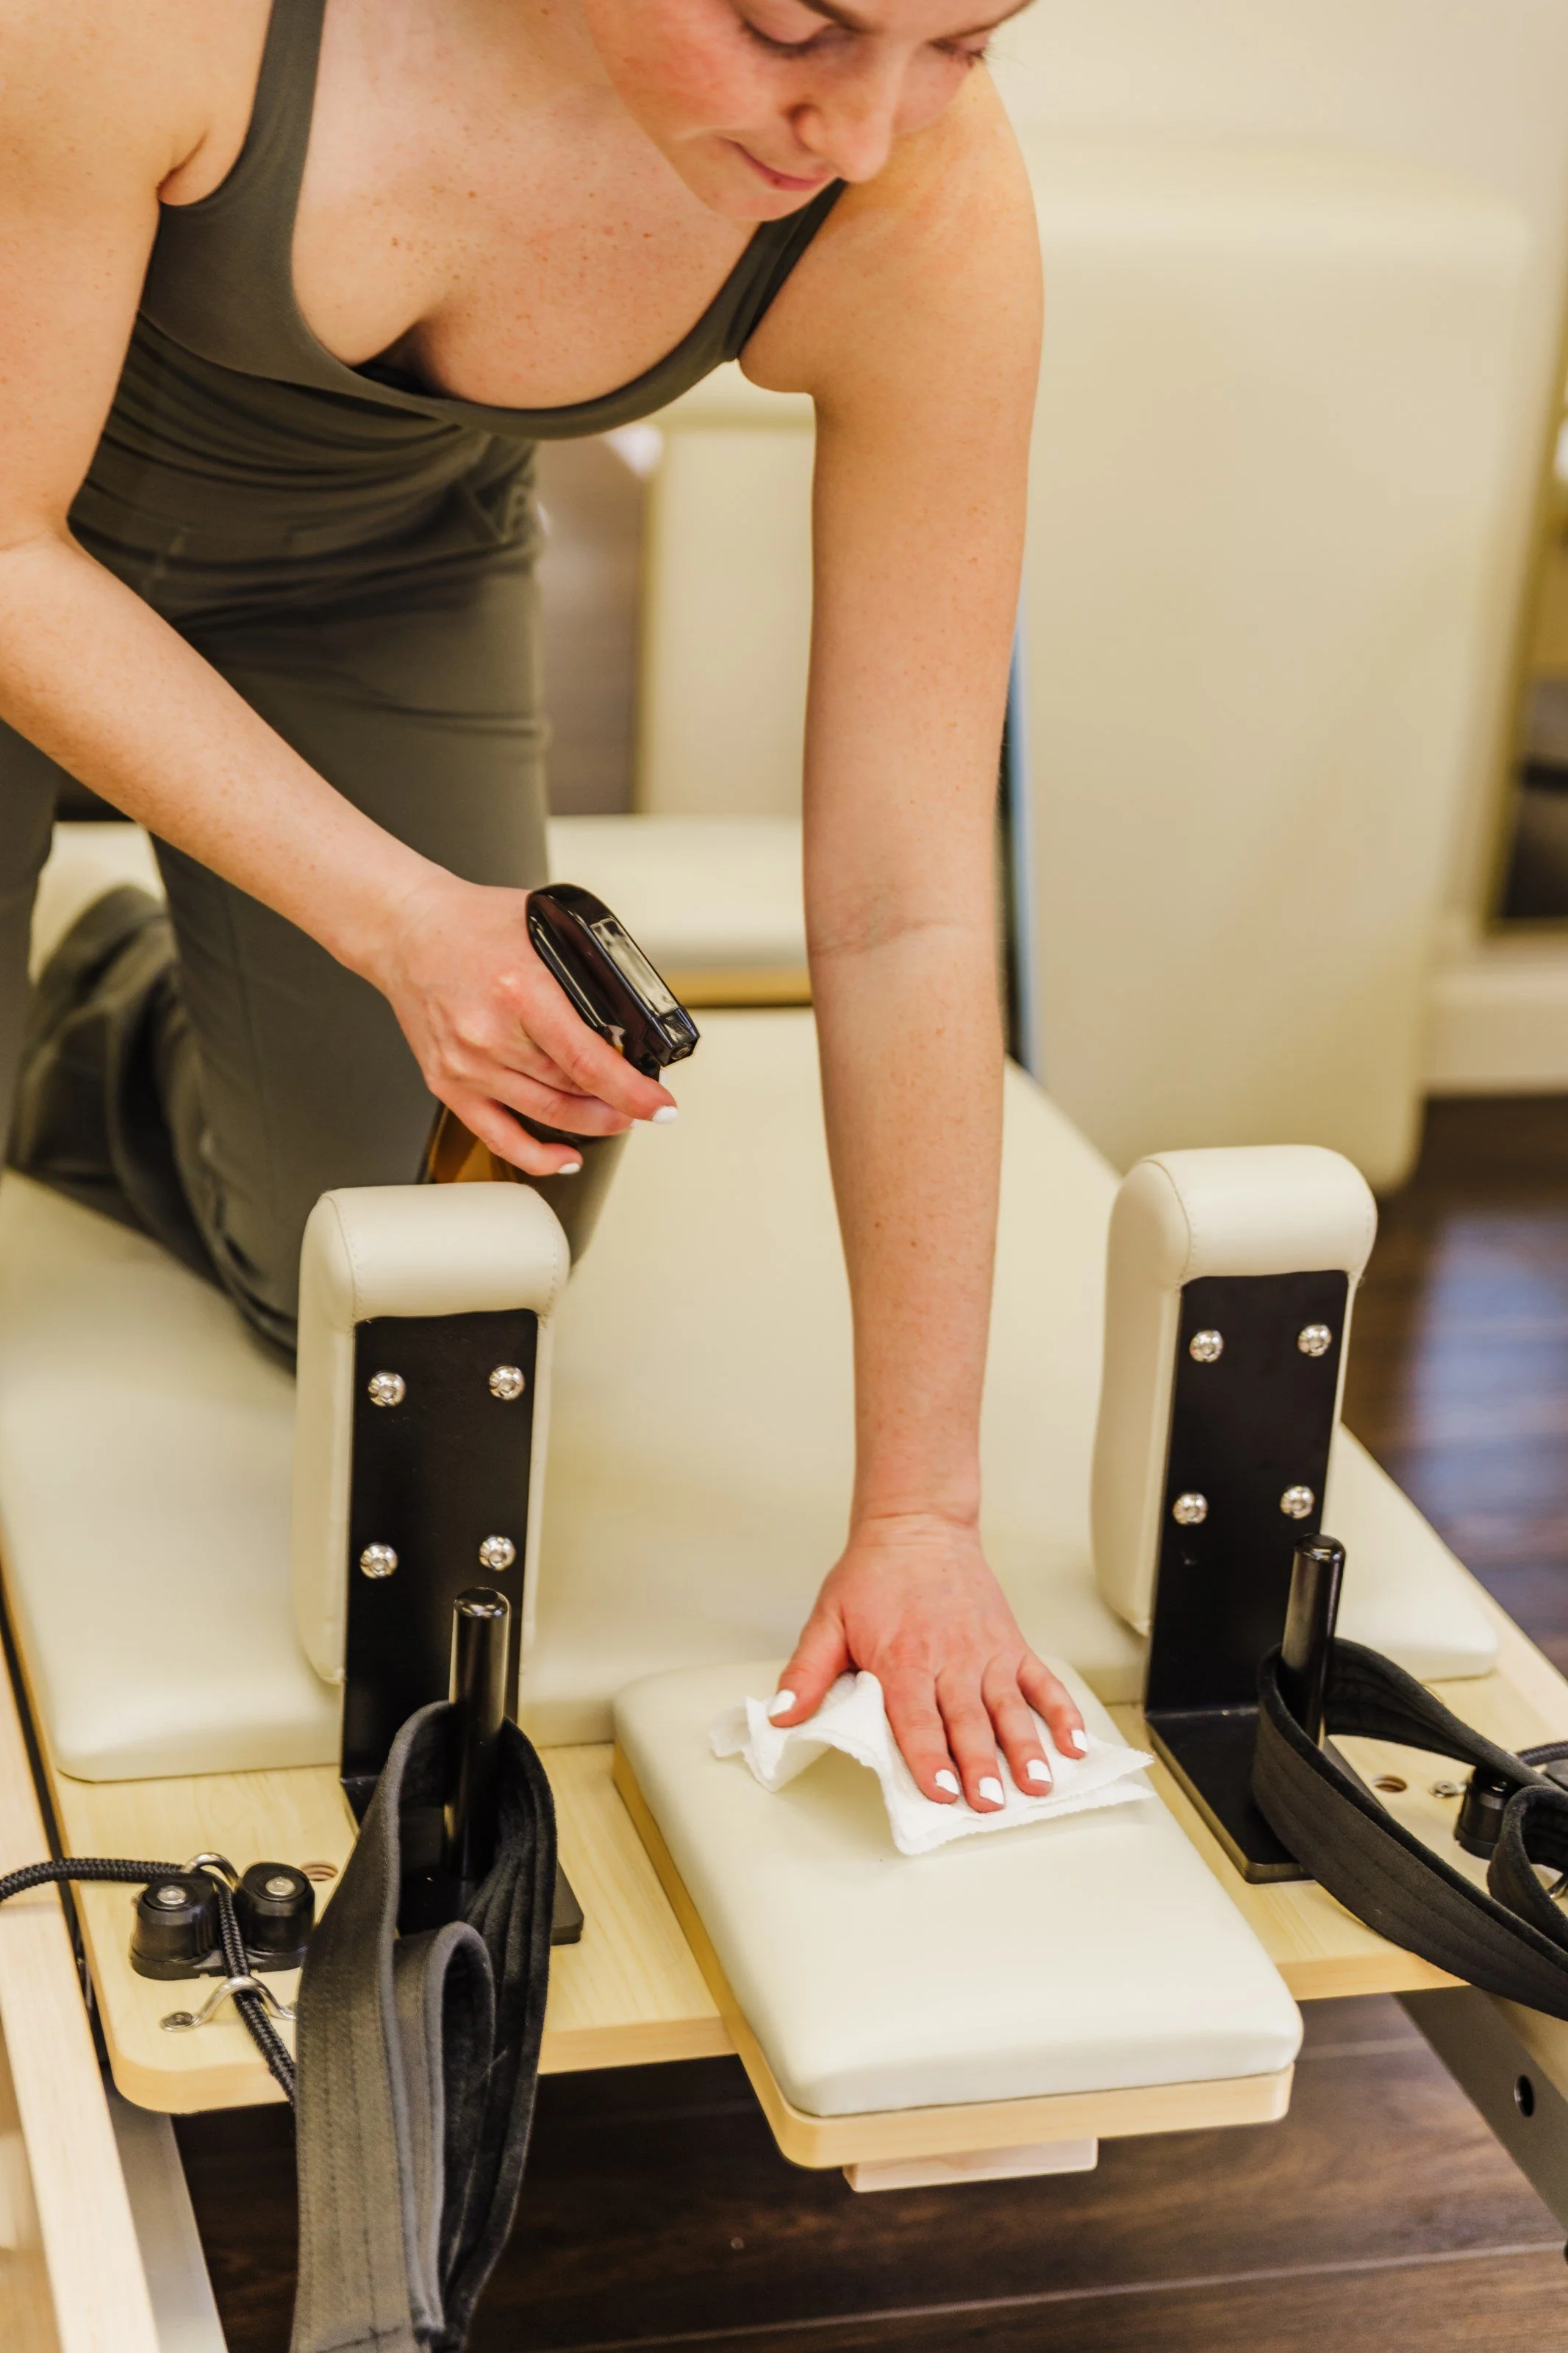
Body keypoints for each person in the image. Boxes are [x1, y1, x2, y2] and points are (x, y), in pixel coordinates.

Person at [0, 0, 1084, 1815]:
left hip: (368, 580)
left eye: (961, 43)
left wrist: (920, 1510)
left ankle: (91, 1014)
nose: (869, 129)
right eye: (790, 26)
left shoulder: (917, 207)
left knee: (434, 1254)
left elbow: (903, 894)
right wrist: (399, 920)